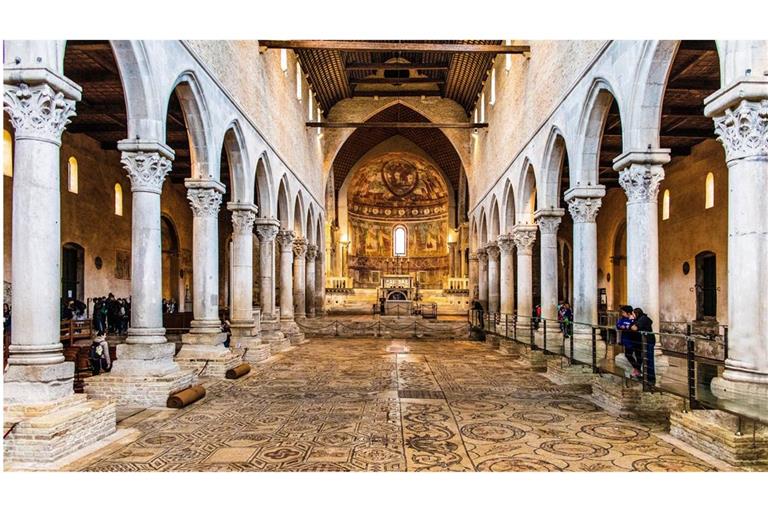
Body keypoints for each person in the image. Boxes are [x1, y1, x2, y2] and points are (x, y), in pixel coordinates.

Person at [631, 307, 656, 385]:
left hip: (648, 341)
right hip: (645, 342)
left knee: (649, 360)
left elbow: (634, 328)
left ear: (637, 313)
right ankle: (646, 377)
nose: (633, 316)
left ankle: (651, 379)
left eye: (633, 314)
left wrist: (631, 321)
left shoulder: (643, 319)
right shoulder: (641, 318)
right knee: (645, 359)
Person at [616, 305, 642, 378]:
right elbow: (618, 325)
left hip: (635, 340)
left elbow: (634, 327)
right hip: (627, 341)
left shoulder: (634, 319)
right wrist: (626, 326)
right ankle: (638, 369)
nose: (622, 313)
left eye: (623, 312)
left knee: (639, 356)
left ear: (628, 313)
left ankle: (638, 370)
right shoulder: (622, 319)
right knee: (628, 354)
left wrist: (627, 326)